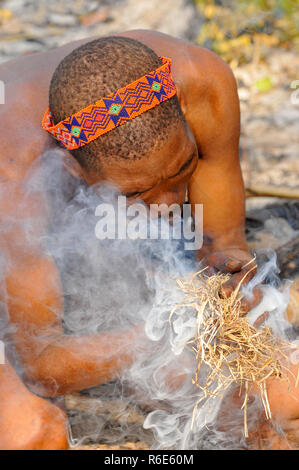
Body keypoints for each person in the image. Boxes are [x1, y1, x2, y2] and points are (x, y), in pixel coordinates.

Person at [0, 30, 297, 449]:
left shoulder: (204, 84)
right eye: (136, 194)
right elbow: (40, 362)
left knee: (277, 401)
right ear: (69, 168)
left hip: (90, 241)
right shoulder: (12, 175)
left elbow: (223, 247)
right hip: (11, 257)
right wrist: (165, 330)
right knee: (31, 434)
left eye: (182, 172)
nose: (168, 205)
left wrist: (231, 289)